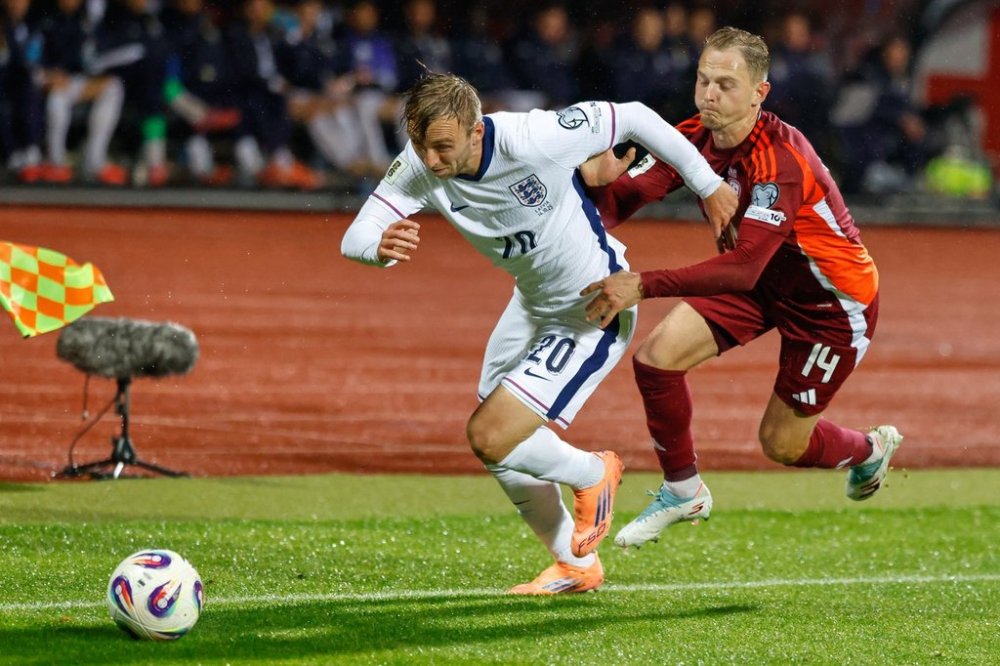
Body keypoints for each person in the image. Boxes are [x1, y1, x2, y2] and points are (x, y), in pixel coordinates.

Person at [341, 72, 737, 593]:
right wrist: (378, 247)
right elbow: (358, 233)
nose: (431, 161)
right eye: (421, 145)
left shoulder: (534, 138)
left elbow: (636, 116)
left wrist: (709, 186)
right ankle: (575, 565)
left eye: (442, 147)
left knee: (490, 435)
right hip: (530, 306)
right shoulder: (422, 160)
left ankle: (592, 473)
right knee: (498, 445)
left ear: (476, 131)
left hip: (591, 308)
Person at [579, 27, 902, 550]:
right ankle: (683, 490)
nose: (709, 95)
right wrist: (578, 191)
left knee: (780, 444)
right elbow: (623, 200)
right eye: (703, 80)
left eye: (726, 84)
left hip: (830, 305)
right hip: (762, 280)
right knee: (656, 359)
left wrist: (642, 283)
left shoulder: (780, 162)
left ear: (760, 92)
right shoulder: (693, 137)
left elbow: (743, 267)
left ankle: (867, 449)